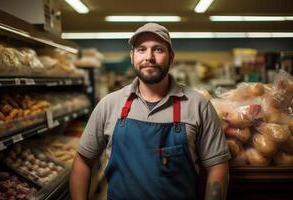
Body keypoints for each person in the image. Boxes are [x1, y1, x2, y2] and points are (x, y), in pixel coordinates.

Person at [70, 23, 230, 200]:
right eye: (141, 49)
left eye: (158, 50)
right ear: (132, 57)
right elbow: (83, 160)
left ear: (171, 56)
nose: (149, 57)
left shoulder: (198, 105)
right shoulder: (109, 104)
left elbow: (218, 167)